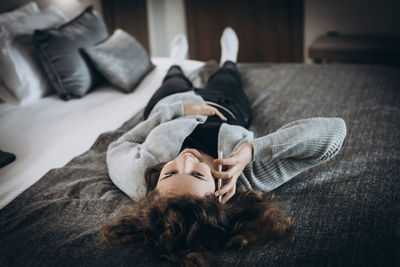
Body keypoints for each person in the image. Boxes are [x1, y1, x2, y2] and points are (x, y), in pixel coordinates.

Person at [102, 28, 347, 266]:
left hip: (172, 104)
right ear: (219, 193)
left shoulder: (143, 182)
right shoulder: (244, 177)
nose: (186, 159)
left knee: (173, 77)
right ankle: (228, 58)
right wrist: (252, 150)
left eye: (170, 172)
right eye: (197, 174)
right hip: (227, 104)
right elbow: (334, 132)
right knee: (228, 75)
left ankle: (176, 61)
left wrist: (177, 110)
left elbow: (119, 146)